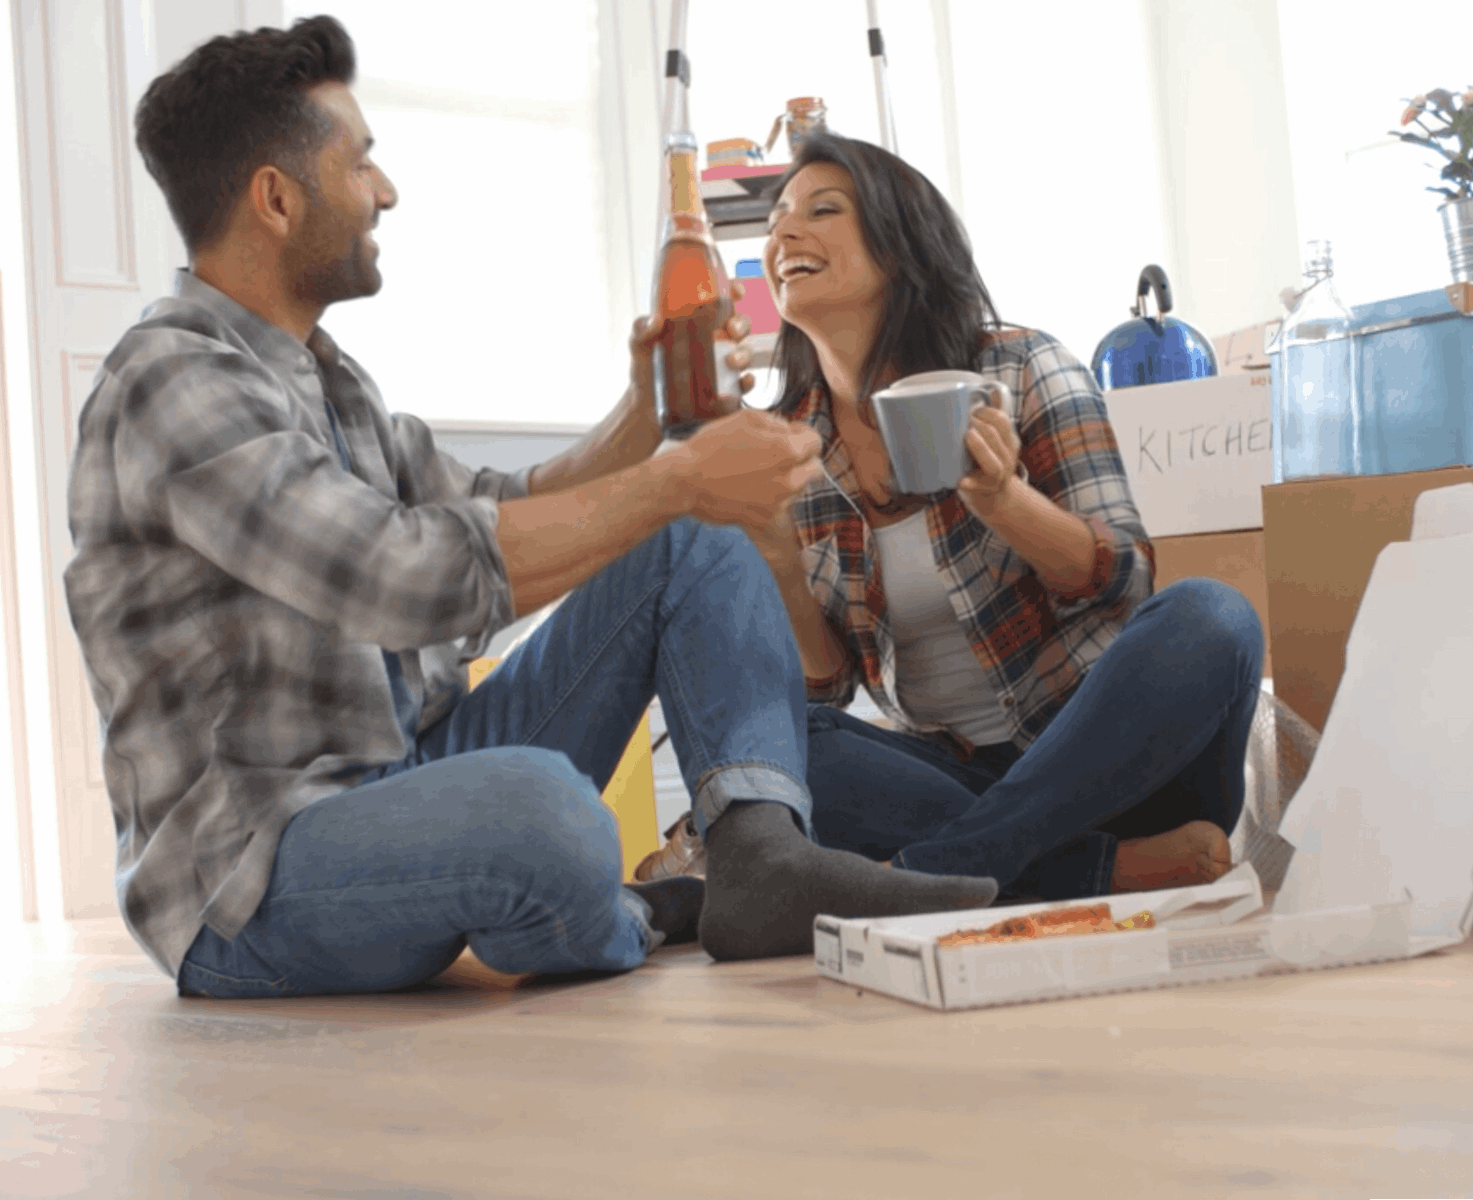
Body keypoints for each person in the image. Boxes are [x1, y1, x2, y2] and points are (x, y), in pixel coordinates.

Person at [64, 17, 997, 996]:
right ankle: (638, 910)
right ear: (276, 198)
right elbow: (403, 577)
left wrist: (645, 414)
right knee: (542, 817)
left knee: (689, 545)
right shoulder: (170, 380)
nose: (386, 190)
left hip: (412, 770)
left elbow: (505, 505)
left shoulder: (331, 385)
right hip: (254, 874)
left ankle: (758, 859)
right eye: (361, 163)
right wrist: (674, 475)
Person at [740, 133, 1266, 903]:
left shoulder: (1020, 368)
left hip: (1119, 764)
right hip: (955, 775)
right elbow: (827, 688)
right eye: (777, 218)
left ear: (902, 242)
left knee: (1212, 617)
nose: (783, 233)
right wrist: (779, 566)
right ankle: (1098, 870)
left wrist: (1003, 503)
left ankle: (936, 873)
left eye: (822, 210)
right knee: (772, 735)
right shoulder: (790, 443)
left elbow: (1124, 575)